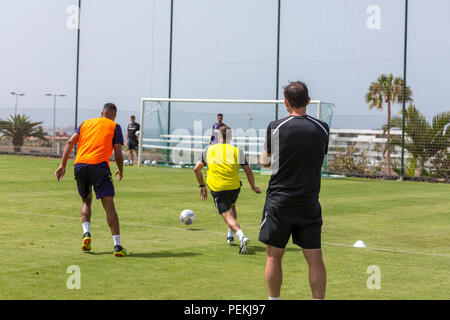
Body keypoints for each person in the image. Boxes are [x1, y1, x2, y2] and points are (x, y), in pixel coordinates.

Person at [259, 81, 329, 300]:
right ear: (308, 101)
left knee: (273, 257)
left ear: (286, 102)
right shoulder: (322, 128)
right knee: (315, 258)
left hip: (280, 202)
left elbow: (266, 162)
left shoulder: (276, 126)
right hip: (308, 202)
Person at [55, 103, 129, 257]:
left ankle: (86, 233)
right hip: (99, 166)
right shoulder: (114, 126)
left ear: (102, 112)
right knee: (109, 205)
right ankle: (117, 246)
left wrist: (62, 165)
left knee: (85, 201)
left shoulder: (86, 123)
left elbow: (69, 142)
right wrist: (121, 170)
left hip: (80, 165)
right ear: (114, 115)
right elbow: (118, 154)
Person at [194, 125, 261, 254]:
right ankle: (230, 234)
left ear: (218, 137)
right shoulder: (237, 151)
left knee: (226, 214)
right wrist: (253, 186)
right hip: (234, 188)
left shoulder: (209, 150)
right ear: (230, 138)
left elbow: (196, 168)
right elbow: (248, 171)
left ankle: (241, 236)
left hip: (218, 188)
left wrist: (202, 185)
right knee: (231, 206)